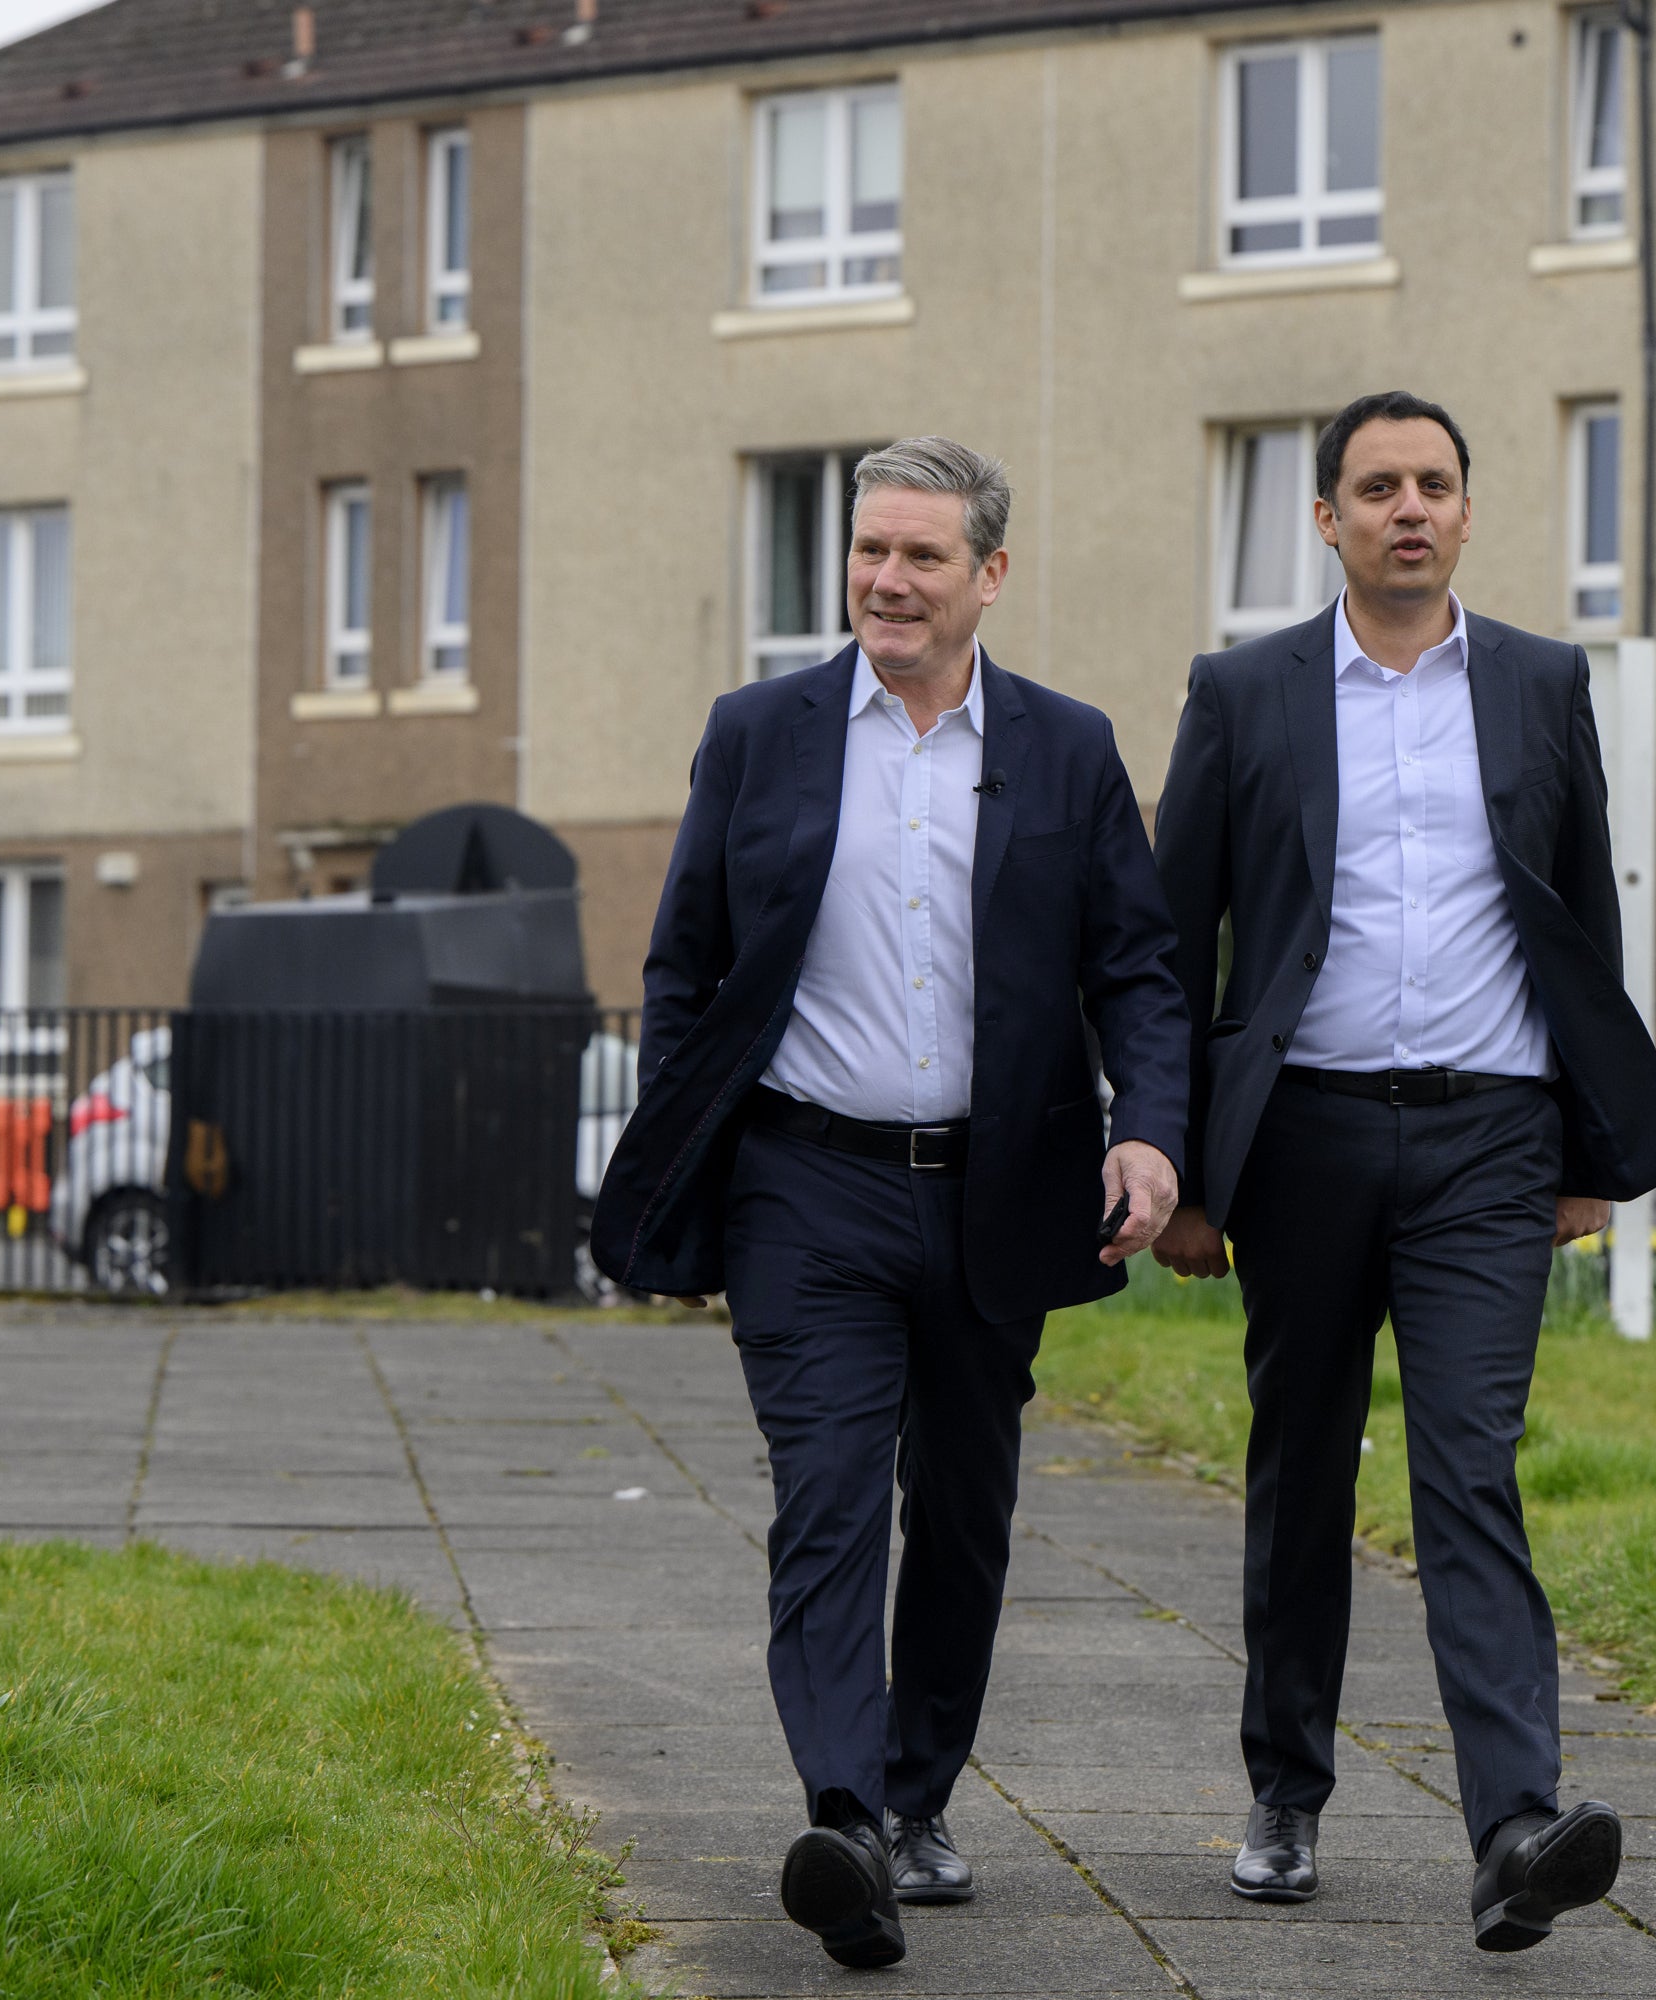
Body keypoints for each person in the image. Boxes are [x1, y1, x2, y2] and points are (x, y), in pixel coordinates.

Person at [589, 437, 1190, 1971]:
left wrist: (1152, 1138)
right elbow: (686, 961)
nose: (887, 580)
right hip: (807, 1189)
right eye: (870, 552)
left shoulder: (1065, 747)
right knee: (833, 1497)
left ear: (991, 575)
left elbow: (1136, 969)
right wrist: (699, 1146)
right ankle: (845, 1820)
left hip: (999, 1191)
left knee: (968, 1516)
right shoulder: (760, 734)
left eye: (923, 556)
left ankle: (920, 1797)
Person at [1150, 390, 1656, 1952]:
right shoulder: (1242, 694)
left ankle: (1517, 1828)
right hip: (1301, 1136)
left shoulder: (1536, 683)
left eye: (1434, 484)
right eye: (1376, 486)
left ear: (1465, 509)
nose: (1407, 508)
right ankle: (1285, 1795)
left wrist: (1587, 1145)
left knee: (1469, 1466)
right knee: (1302, 1469)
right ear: (1326, 518)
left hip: (1489, 1142)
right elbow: (1178, 941)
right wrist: (1180, 1167)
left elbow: (1582, 915)